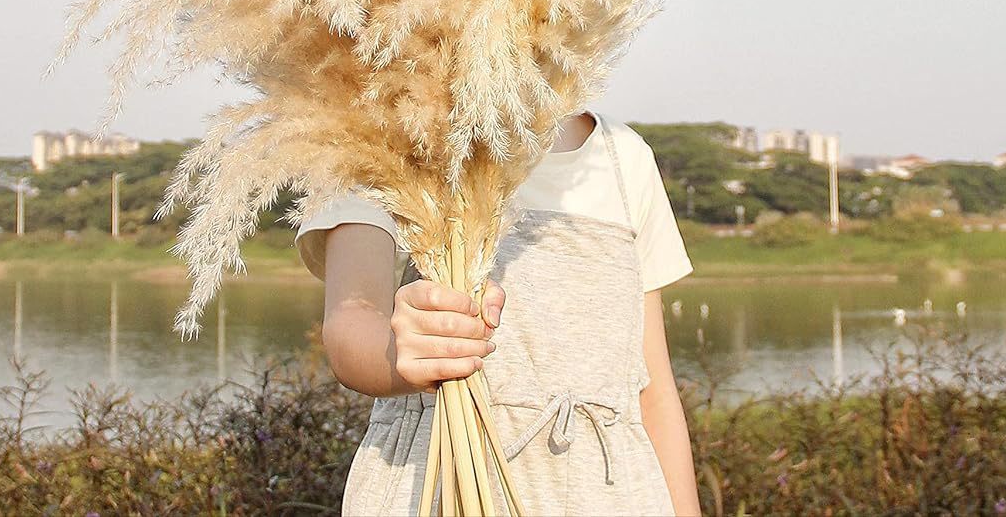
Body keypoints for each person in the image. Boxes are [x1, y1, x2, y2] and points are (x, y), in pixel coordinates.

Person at [295, 110, 704, 516]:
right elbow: (351, 320)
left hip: (617, 495)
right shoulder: (384, 126)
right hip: (435, 488)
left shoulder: (623, 155)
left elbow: (652, 393)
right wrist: (408, 351)